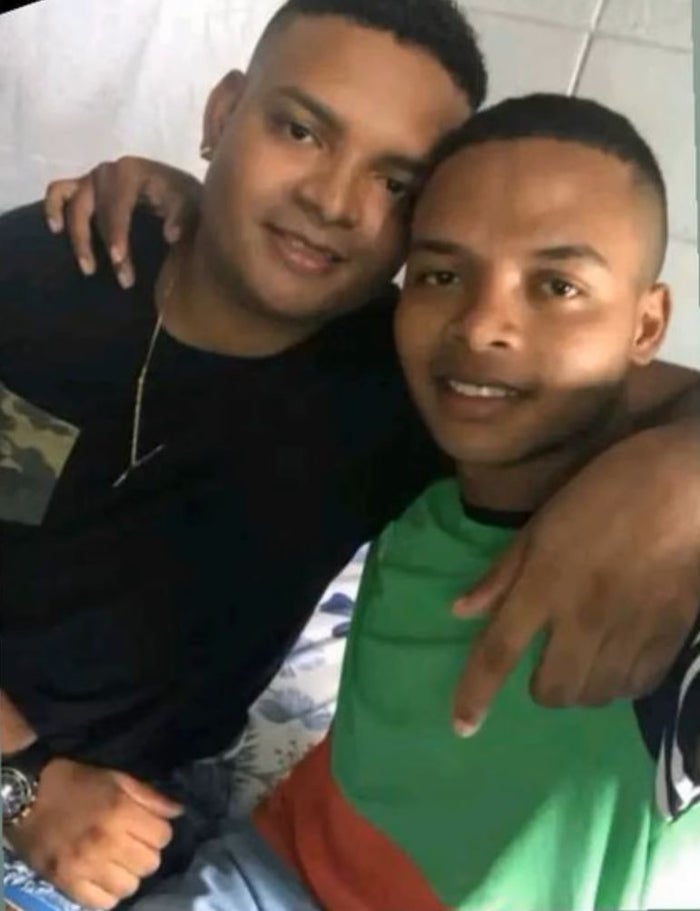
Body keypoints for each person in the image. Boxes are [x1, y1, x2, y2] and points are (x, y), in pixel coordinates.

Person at [1, 1, 698, 908]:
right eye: (300, 131)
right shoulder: (60, 267)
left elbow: (606, 381)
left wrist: (680, 471)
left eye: (395, 181)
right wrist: (24, 781)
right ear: (222, 115)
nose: (332, 203)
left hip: (140, 812)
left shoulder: (411, 383)